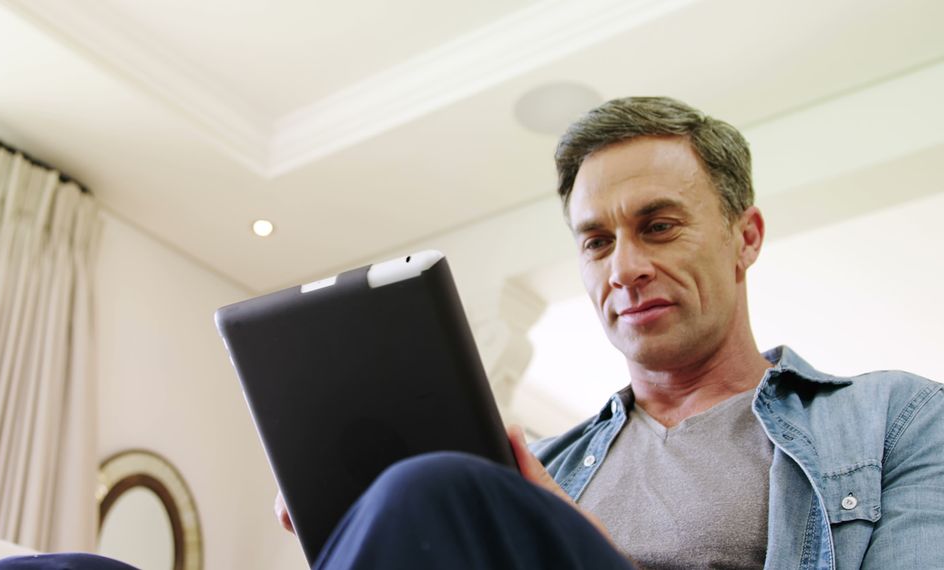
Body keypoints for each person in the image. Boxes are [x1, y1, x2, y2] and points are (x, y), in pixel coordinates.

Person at [275, 97, 944, 569]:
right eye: (596, 242)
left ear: (746, 237)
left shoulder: (895, 421)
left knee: (430, 487)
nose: (624, 268)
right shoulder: (541, 469)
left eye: (658, 226)